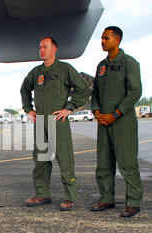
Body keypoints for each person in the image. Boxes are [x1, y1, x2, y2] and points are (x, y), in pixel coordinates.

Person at [20, 37, 91, 210]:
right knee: (41, 160)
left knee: (65, 160)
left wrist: (70, 108)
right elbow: (24, 90)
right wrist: (29, 109)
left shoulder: (64, 69)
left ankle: (70, 196)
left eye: (45, 47)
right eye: (40, 47)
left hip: (58, 122)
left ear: (54, 49)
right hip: (40, 122)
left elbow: (84, 89)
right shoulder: (36, 73)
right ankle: (42, 194)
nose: (41, 50)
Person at [91, 26, 143, 218]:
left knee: (127, 162)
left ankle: (133, 202)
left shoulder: (129, 63)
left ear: (117, 40)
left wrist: (117, 112)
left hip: (122, 122)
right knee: (104, 162)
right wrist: (96, 111)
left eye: (106, 38)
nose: (102, 41)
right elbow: (95, 92)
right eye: (102, 38)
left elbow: (135, 91)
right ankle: (106, 198)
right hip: (103, 122)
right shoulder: (101, 66)